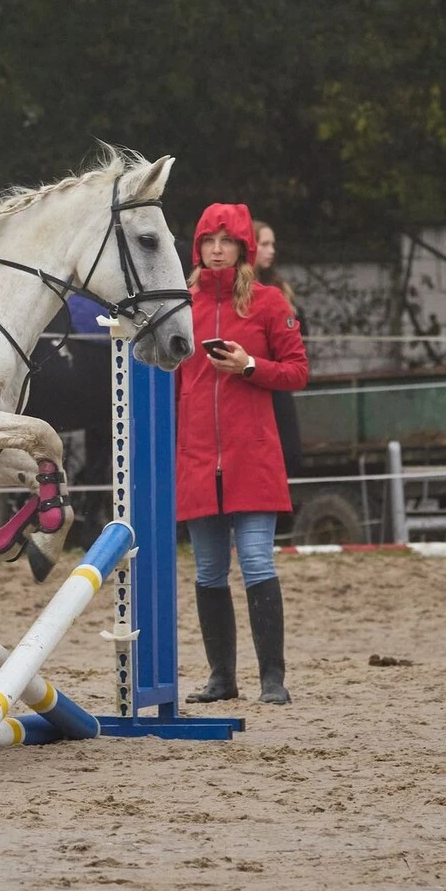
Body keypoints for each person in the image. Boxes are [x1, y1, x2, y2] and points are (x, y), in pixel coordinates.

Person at [177, 203, 309, 704]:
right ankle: (222, 679)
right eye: (208, 240)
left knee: (256, 561)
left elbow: (297, 371)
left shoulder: (270, 302)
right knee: (208, 571)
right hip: (196, 459)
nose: (215, 249)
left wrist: (251, 365)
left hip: (251, 457)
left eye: (225, 241)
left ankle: (272, 679)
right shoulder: (180, 306)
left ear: (242, 248)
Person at [252, 220, 306, 489]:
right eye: (264, 244)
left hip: (279, 379)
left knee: (289, 452)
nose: (271, 250)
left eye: (272, 244)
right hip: (254, 381)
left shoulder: (280, 289)